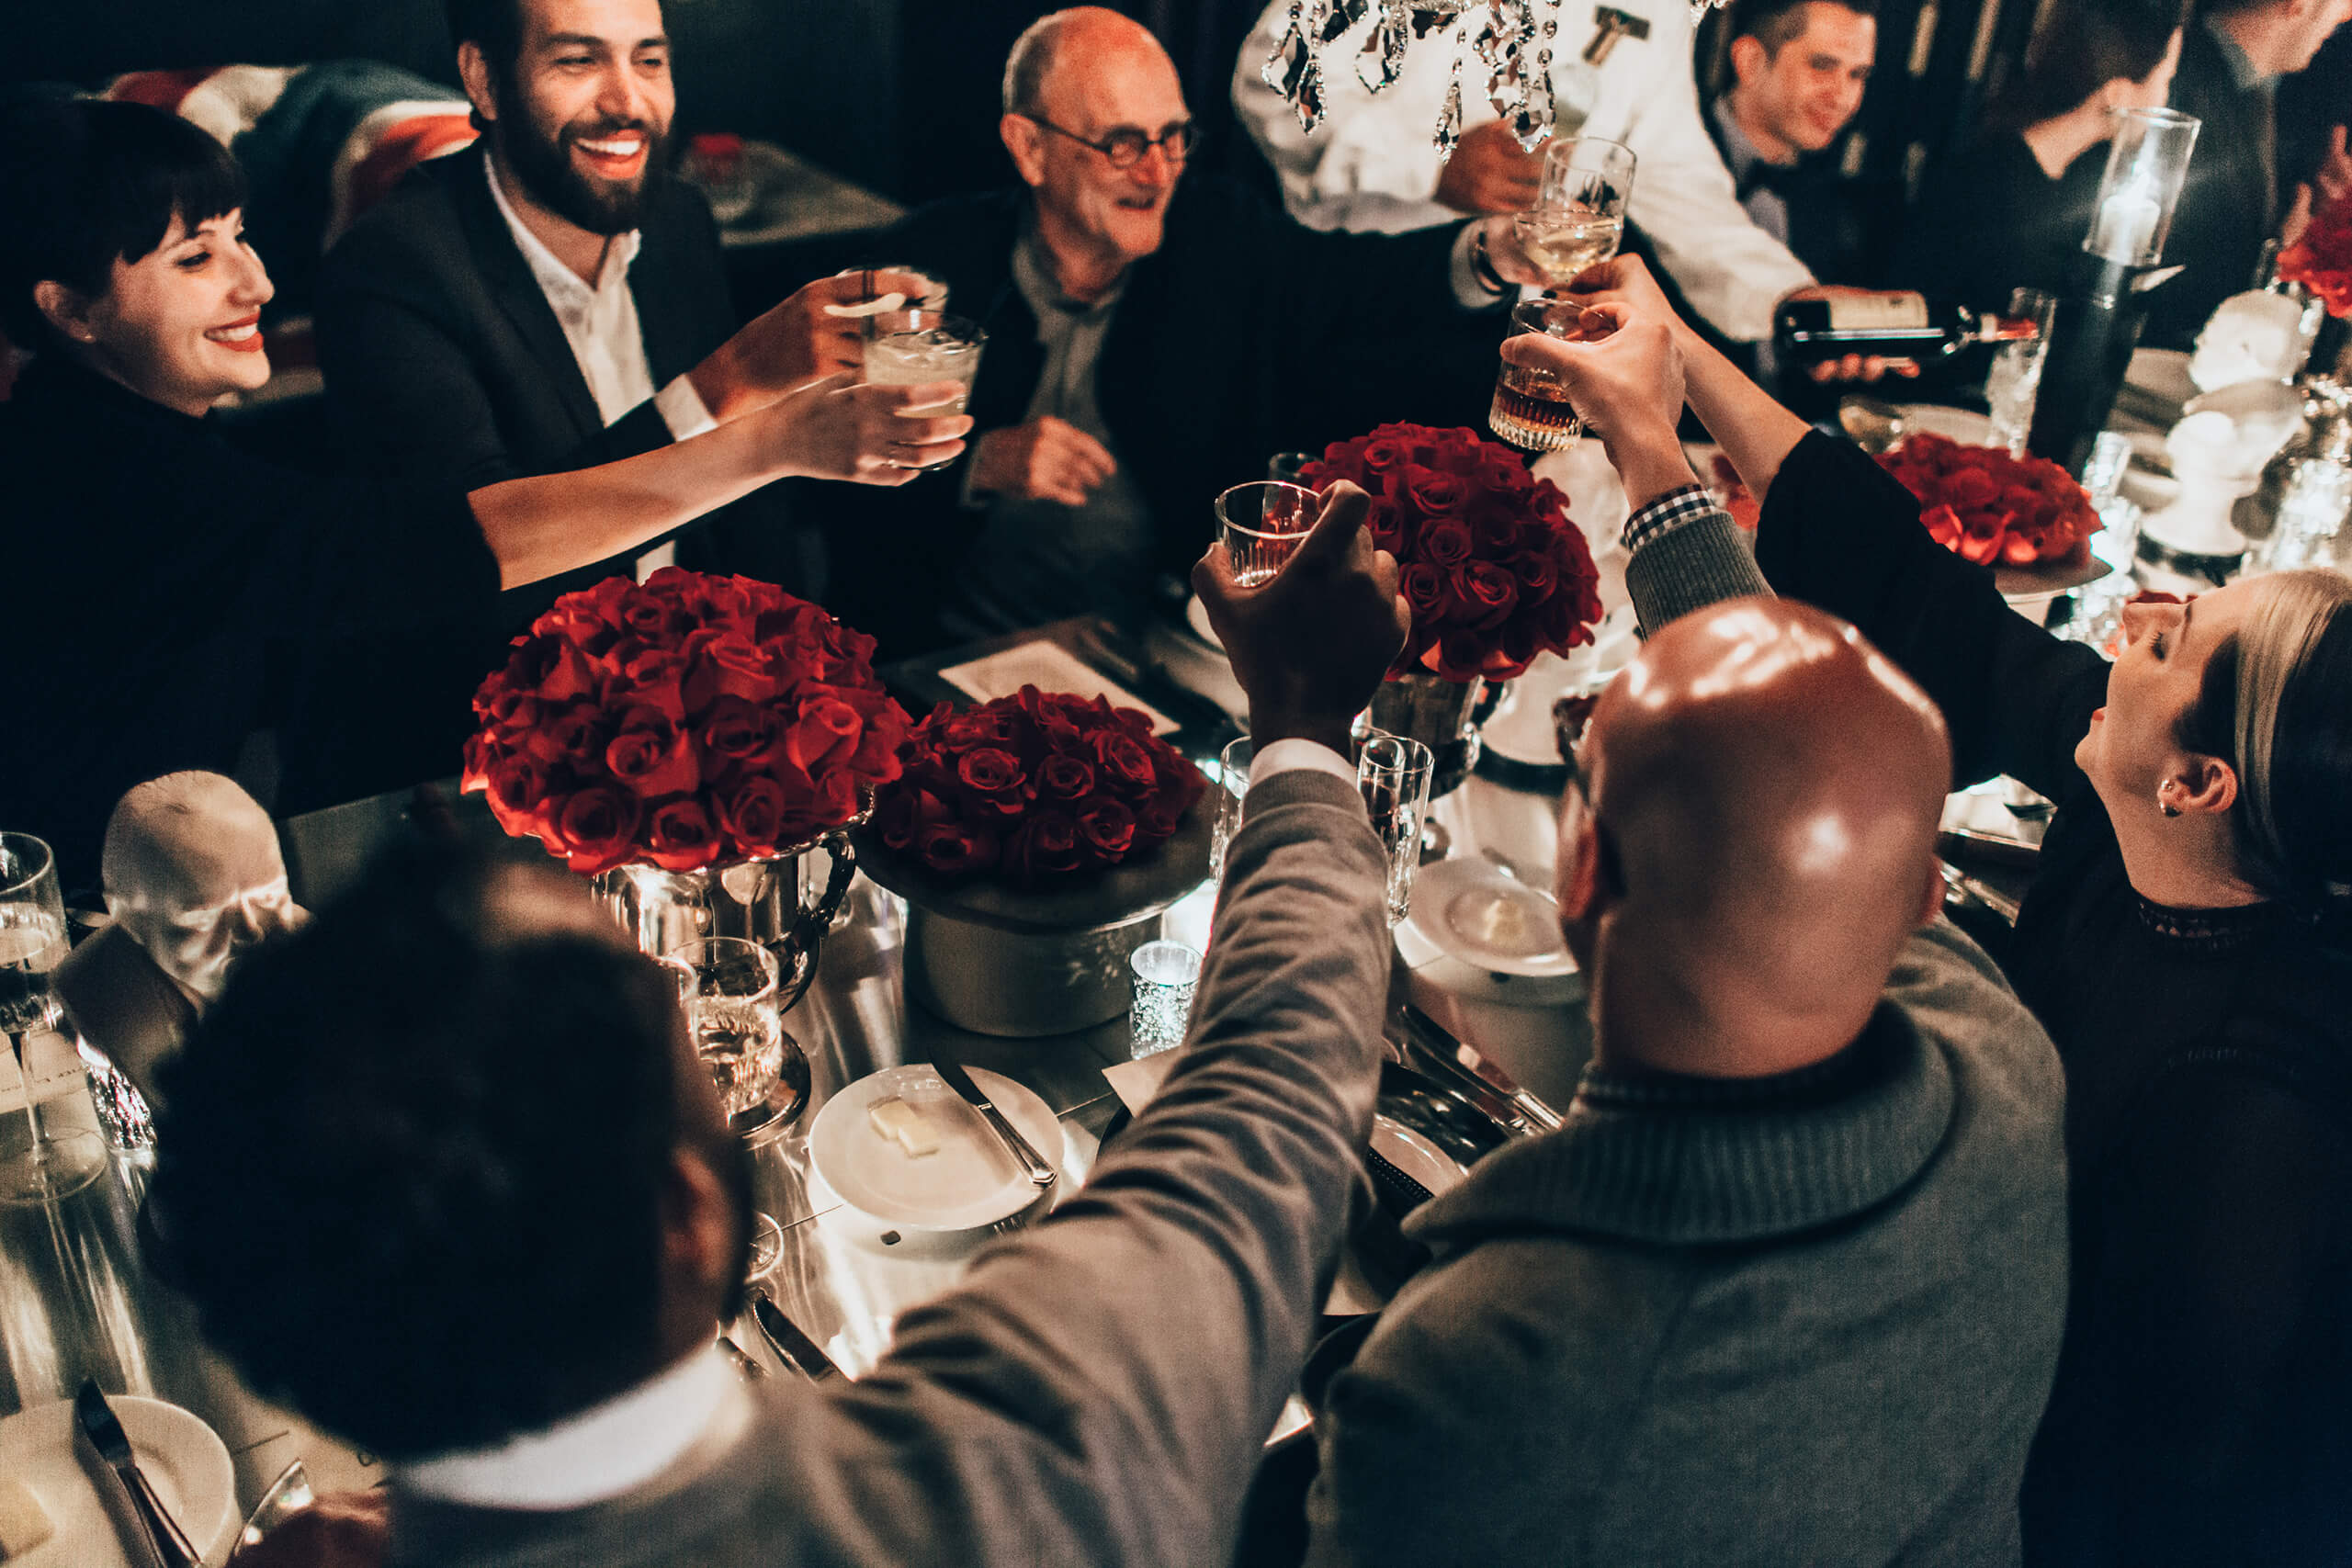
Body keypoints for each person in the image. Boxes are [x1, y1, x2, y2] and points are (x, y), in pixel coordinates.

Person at [154, 480, 1415, 1568]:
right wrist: (1303, 727)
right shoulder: (1017, 1463)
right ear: (688, 1217)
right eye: (653, 1003)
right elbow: (1268, 1099)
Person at [1560, 252, 2352, 1564]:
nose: (2139, 611)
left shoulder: (2255, 1106)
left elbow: (2150, 1467)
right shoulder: (2146, 814)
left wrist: (1648, 450)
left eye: (2176, 636)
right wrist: (1683, 359)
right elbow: (1934, 606)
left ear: (2202, 778)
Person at [0, 97, 965, 894]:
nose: (256, 281)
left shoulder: (103, 423)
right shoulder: (127, 480)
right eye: (194, 258)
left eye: (241, 237)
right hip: (83, 914)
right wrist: (770, 441)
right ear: (72, 311)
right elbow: (455, 540)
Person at [306, 0, 936, 806]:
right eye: (577, 62)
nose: (627, 100)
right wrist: (730, 386)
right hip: (471, 776)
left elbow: (746, 528)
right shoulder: (394, 268)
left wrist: (801, 710)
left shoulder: (677, 220)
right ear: (484, 80)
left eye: (650, 60)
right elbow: (480, 558)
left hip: (697, 743)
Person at [795, 6, 1555, 656]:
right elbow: (828, 505)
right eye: (1122, 144)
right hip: (945, 659)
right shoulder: (929, 267)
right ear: (1029, 147)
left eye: (1174, 137)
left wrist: (1486, 253)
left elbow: (1354, 285)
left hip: (1159, 654)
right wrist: (976, 464)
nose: (1158, 173)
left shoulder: (1217, 233)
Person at [1230, 0, 1815, 351]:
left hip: (1526, 339)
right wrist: (1427, 164)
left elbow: (1678, 179)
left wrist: (1790, 299)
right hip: (1354, 302)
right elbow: (1272, 79)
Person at [1893, 0, 2186, 314]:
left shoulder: (2077, 179)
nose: (2165, 99)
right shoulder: (1984, 182)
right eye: (2165, 80)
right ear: (2117, 94)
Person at [2152, 0, 2352, 346]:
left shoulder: (2254, 92)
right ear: (2297, 4)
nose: (2344, 20)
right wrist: (2271, 249)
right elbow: (2173, 263)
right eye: (2344, 6)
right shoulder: (2172, 75)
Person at [1706, 0, 1877, 284]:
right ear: (1750, 62)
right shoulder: (1663, 160)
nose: (1844, 99)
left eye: (1857, 75)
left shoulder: (1833, 210)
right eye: (1822, 66)